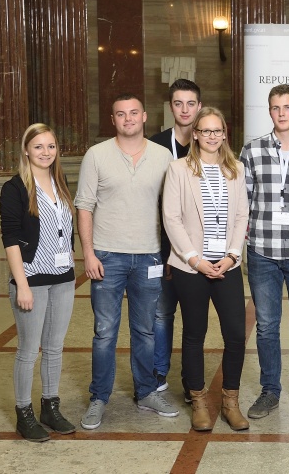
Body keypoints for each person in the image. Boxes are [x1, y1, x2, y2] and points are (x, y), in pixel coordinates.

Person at [76, 93, 177, 430]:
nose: (128, 119)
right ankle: (99, 397)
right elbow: (85, 205)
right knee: (104, 332)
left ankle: (147, 391)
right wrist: (88, 252)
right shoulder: (96, 155)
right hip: (107, 256)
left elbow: (175, 207)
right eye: (121, 114)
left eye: (134, 113)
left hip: (148, 255)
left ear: (145, 116)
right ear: (113, 119)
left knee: (145, 331)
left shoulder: (163, 157)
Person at [162, 107, 250, 432]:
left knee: (236, 335)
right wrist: (194, 260)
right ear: (195, 134)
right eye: (206, 130)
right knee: (194, 334)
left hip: (227, 265)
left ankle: (230, 401)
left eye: (218, 130)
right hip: (190, 267)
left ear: (224, 134)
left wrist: (231, 255)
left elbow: (242, 216)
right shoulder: (178, 169)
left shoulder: (236, 169)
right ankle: (198, 399)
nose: (212, 136)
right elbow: (171, 218)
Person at [240, 84, 289, 422]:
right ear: (269, 111)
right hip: (263, 251)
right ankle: (270, 390)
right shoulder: (252, 150)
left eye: (288, 107)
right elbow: (241, 202)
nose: (282, 113)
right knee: (267, 327)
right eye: (276, 107)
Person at [0, 124, 77, 442]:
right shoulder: (15, 188)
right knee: (29, 350)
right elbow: (11, 239)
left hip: (64, 279)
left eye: (51, 146)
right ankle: (24, 413)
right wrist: (22, 285)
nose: (46, 152)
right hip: (31, 279)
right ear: (26, 151)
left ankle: (50, 406)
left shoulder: (61, 181)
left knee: (55, 348)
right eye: (39, 147)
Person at [149, 78, 202, 397]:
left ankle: (191, 381)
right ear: (171, 107)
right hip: (161, 247)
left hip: (198, 249)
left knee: (194, 319)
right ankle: (158, 373)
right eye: (178, 103)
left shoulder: (209, 144)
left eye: (191, 103)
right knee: (162, 313)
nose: (184, 109)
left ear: (199, 106)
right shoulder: (155, 146)